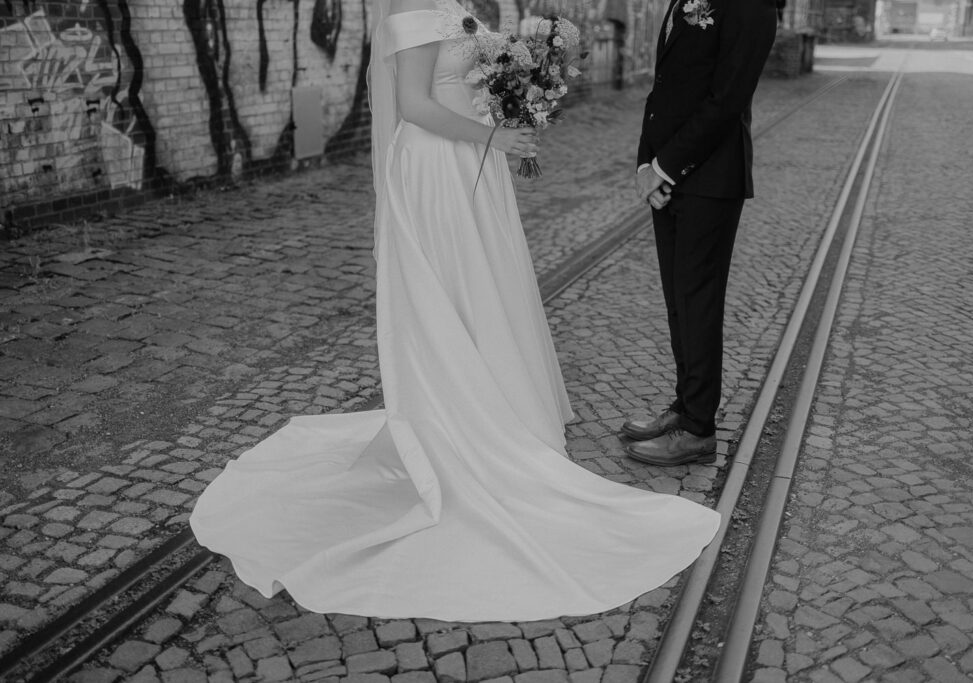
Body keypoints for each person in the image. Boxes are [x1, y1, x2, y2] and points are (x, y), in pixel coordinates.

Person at [190, 0, 719, 621]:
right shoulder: (407, 19)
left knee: (484, 289)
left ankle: (504, 406)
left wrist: (508, 137)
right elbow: (414, 106)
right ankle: (459, 421)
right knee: (450, 293)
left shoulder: (461, 12)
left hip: (475, 164)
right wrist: (496, 135)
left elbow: (472, 92)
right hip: (434, 168)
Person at [622, 0, 777, 467]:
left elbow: (728, 99)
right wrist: (646, 165)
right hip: (667, 173)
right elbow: (664, 89)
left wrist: (666, 166)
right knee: (677, 299)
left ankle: (698, 429)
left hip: (710, 179)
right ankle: (684, 406)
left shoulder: (753, 5)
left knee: (699, 300)